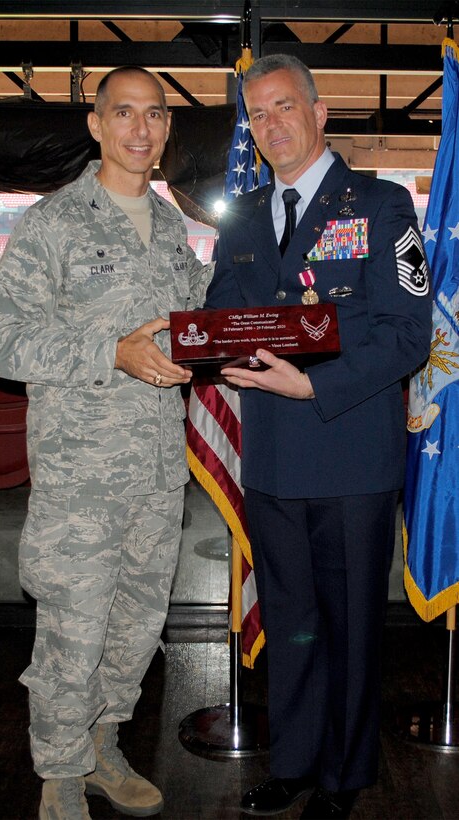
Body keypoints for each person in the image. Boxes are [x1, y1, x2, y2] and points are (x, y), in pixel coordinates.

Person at [0, 66, 212, 820]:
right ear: (95, 124)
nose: (139, 130)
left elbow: (197, 322)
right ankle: (58, 772)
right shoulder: (54, 223)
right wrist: (108, 352)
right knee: (72, 633)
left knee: (136, 628)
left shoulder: (176, 229)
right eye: (123, 113)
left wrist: (283, 309)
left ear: (167, 129)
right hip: (80, 479)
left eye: (154, 115)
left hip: (155, 473)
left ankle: (104, 748)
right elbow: (3, 346)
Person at [205, 54, 432, 819]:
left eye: (283, 107)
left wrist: (314, 383)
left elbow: (406, 336)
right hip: (269, 460)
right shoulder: (238, 217)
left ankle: (342, 776)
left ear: (317, 110)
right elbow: (218, 322)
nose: (271, 126)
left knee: (349, 627)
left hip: (348, 458)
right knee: (293, 624)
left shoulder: (379, 205)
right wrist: (209, 352)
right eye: (257, 115)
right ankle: (295, 763)